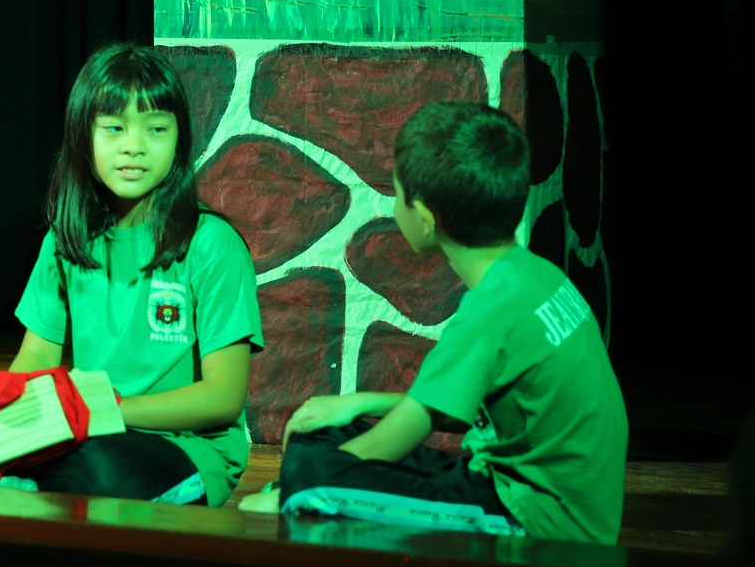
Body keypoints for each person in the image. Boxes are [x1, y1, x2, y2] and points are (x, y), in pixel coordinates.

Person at [0, 45, 260, 503]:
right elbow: (35, 361)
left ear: (180, 140)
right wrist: (7, 411)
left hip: (174, 448)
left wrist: (108, 410)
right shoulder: (68, 237)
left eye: (156, 129)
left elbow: (223, 397)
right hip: (78, 427)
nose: (134, 146)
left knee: (101, 466)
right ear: (85, 137)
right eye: (114, 128)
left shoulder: (211, 243)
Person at [242, 100, 627, 543]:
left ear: (424, 220)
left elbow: (396, 439)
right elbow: (453, 408)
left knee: (309, 477)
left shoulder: (488, 311)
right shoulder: (532, 275)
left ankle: (301, 491)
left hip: (534, 521)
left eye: (398, 194)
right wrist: (359, 404)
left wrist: (298, 487)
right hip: (515, 483)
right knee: (321, 434)